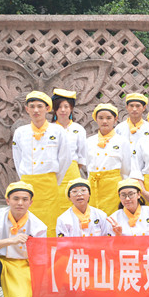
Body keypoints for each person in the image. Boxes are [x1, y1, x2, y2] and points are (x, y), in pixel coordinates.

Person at [12, 90, 71, 237]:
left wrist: (54, 179)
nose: (36, 110)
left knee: (50, 222)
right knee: (27, 221)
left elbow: (65, 159)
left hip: (49, 184)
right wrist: (25, 177)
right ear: (27, 109)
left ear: (47, 109)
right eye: (32, 106)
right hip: (27, 184)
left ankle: (50, 250)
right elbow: (17, 159)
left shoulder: (57, 130)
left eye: (40, 106)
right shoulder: (20, 132)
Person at [86, 103, 131, 215]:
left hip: (113, 187)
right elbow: (87, 166)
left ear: (115, 119)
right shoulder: (89, 141)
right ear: (96, 119)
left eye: (108, 118)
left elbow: (126, 169)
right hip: (94, 185)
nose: (104, 121)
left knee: (113, 216)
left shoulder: (122, 141)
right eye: (101, 118)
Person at [51, 89, 87, 217]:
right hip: (53, 172)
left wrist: (71, 168)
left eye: (66, 107)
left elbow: (82, 156)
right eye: (59, 107)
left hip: (72, 172)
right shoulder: (49, 129)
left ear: (71, 108)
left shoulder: (78, 129)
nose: (63, 110)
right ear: (55, 109)